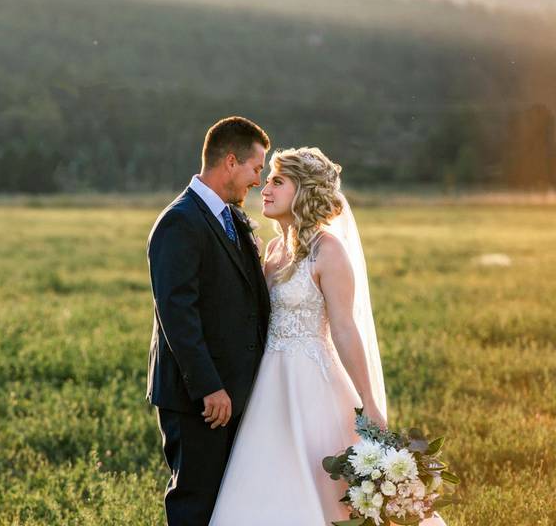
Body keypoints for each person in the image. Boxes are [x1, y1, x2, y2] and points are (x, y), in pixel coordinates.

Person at [208, 146, 446, 525]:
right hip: (268, 386)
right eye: (266, 180)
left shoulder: (329, 251)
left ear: (303, 191)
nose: (264, 189)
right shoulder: (272, 250)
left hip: (313, 385)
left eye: (278, 182)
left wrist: (369, 401)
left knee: (325, 490)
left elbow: (345, 329)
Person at [146, 116, 271, 525]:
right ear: (230, 162)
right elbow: (176, 313)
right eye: (256, 168)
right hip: (198, 398)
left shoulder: (231, 217)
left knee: (226, 503)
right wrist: (210, 387)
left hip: (233, 393)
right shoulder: (179, 220)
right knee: (196, 503)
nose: (259, 179)